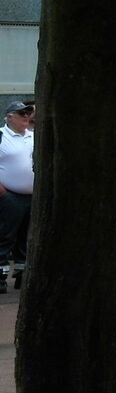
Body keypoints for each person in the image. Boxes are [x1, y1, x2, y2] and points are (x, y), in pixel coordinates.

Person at [0, 100, 35, 293]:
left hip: (31, 197)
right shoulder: (1, 136)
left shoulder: (33, 136)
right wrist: (3, 193)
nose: (26, 116)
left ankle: (22, 274)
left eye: (27, 113)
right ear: (9, 117)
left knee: (25, 238)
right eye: (21, 113)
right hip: (9, 197)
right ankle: (1, 276)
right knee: (5, 236)